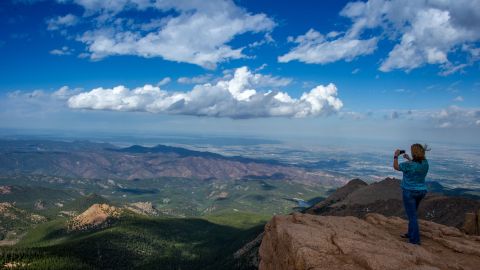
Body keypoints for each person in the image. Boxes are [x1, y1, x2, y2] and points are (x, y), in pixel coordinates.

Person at [393, 144, 429, 245]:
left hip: (409, 192)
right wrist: (408, 158)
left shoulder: (408, 165)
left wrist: (396, 156)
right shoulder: (425, 163)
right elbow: (415, 165)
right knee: (413, 214)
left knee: (412, 216)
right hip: (421, 192)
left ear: (414, 153)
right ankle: (410, 233)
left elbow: (396, 167)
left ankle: (415, 241)